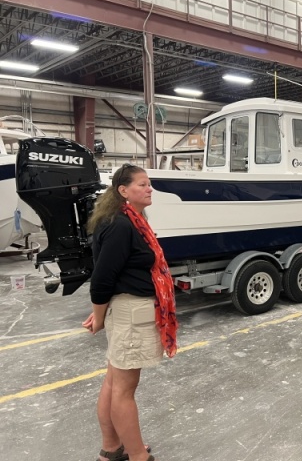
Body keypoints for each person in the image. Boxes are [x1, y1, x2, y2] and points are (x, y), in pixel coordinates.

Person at [83, 163, 178, 461]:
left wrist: (104, 312)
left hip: (126, 310)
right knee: (123, 390)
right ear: (123, 190)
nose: (149, 189)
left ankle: (111, 449)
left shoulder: (130, 220)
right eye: (142, 184)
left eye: (149, 184)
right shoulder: (121, 226)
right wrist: (100, 316)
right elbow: (101, 279)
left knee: (114, 382)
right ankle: (138, 456)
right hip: (131, 315)